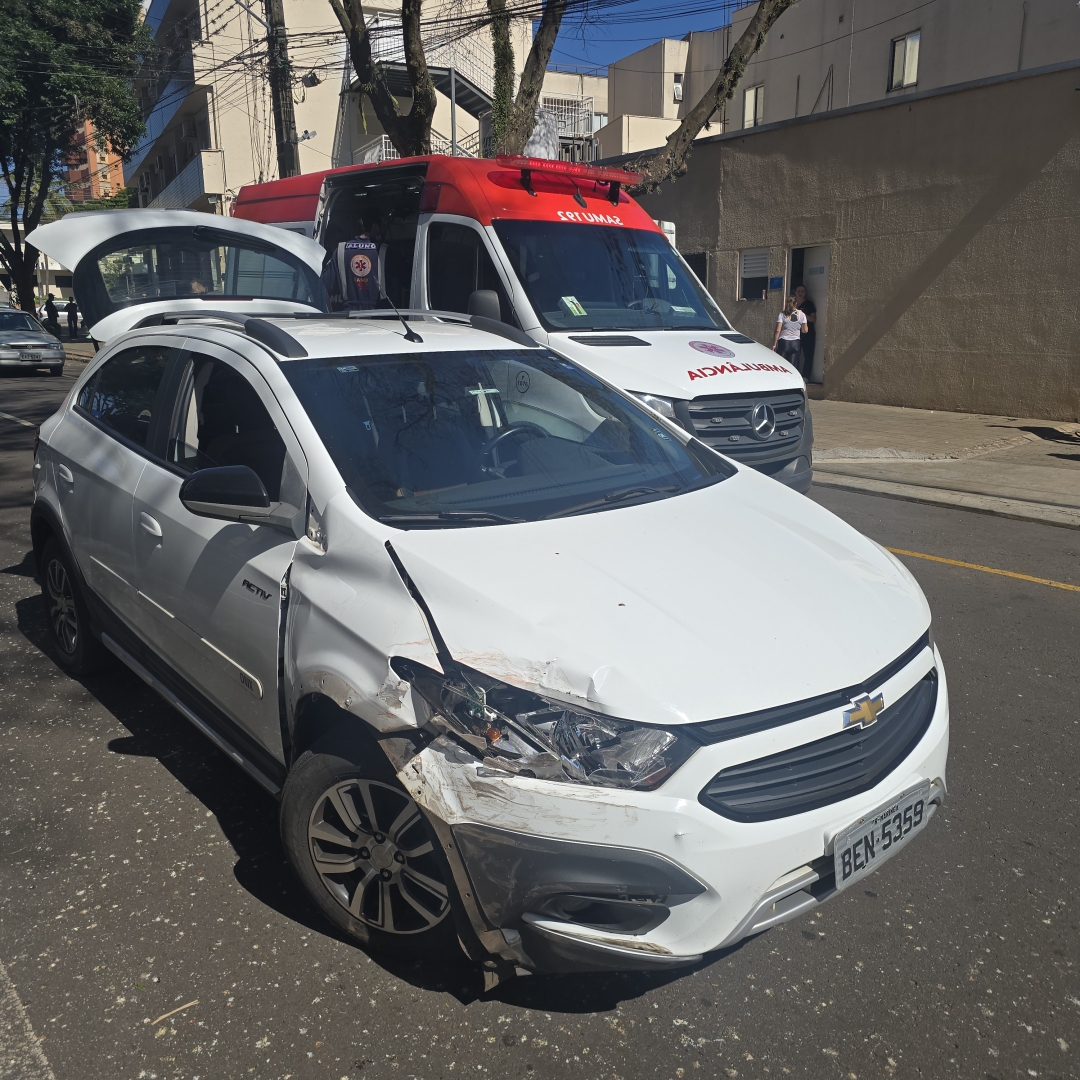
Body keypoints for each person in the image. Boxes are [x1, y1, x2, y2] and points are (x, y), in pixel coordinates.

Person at [322, 220, 382, 311]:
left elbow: (324, 284)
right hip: (379, 315)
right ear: (375, 227)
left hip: (350, 314)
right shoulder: (385, 251)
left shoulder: (340, 250)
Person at [771, 295, 807, 370]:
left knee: (781, 367)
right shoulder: (802, 315)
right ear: (796, 304)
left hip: (784, 342)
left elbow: (777, 330)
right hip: (796, 343)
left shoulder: (782, 314)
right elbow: (805, 330)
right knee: (793, 368)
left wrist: (774, 344)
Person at [794, 284, 817, 377]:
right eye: (798, 291)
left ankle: (806, 376)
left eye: (802, 291)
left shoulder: (809, 304)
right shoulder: (792, 304)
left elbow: (814, 319)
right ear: (795, 292)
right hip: (794, 334)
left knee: (808, 356)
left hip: (807, 334)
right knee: (795, 355)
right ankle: (794, 376)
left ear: (805, 293)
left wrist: (803, 315)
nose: (800, 293)